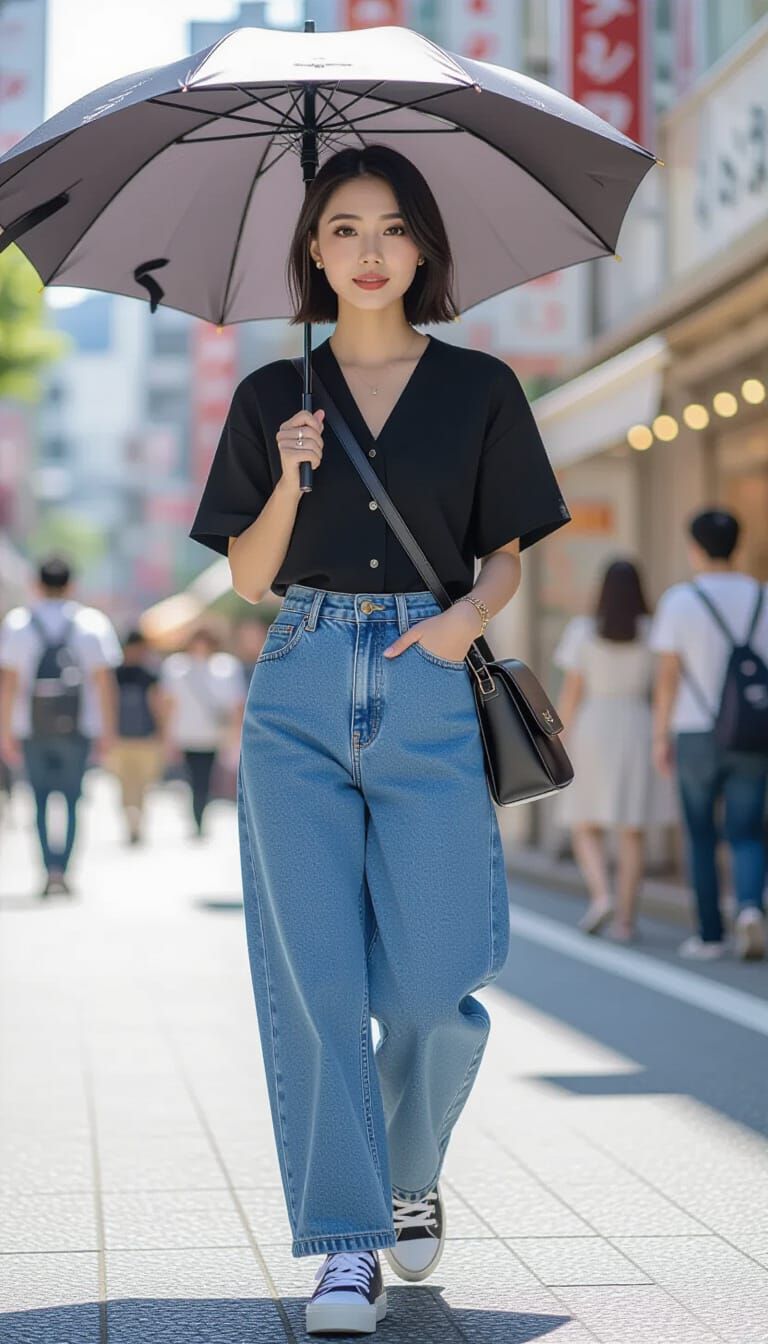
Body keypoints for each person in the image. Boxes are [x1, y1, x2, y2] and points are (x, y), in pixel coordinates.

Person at [188, 144, 571, 1336]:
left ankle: (412, 1173)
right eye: (343, 227)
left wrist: (463, 623)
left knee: (433, 983)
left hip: (425, 678)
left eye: (392, 228)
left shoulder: (480, 388)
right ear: (312, 247)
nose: (368, 250)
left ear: (423, 249)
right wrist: (293, 479)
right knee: (314, 986)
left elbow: (507, 545)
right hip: (299, 676)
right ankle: (346, 1245)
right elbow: (250, 578)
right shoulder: (271, 399)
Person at [650, 508, 768, 961]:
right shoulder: (762, 596)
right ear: (737, 546)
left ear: (695, 547)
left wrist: (660, 737)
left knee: (700, 834)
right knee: (749, 831)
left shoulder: (680, 601)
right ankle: (751, 909)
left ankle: (710, 936)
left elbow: (667, 678)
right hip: (753, 732)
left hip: (695, 732)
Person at [554, 559, 677, 942]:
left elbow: (571, 693)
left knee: (583, 821)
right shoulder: (652, 631)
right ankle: (625, 922)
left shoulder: (583, 631)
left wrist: (555, 737)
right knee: (631, 830)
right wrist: (661, 737)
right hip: (638, 725)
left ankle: (601, 896)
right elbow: (662, 691)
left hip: (594, 725)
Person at [0, 555, 121, 897]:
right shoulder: (92, 623)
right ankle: (63, 871)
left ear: (36, 585)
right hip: (79, 728)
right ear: (71, 585)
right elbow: (103, 683)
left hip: (30, 728)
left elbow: (8, 684)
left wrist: (5, 731)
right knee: (71, 800)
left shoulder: (19, 623)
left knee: (37, 801)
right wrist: (108, 731)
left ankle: (47, 870)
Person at [157, 627, 246, 838]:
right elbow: (167, 704)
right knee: (192, 779)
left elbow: (237, 705)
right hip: (185, 734)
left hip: (213, 735)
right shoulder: (176, 666)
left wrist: (235, 736)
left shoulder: (226, 666)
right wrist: (166, 736)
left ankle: (200, 817)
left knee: (205, 779)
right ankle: (197, 817)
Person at [107, 630, 163, 845]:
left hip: (137, 739)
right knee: (129, 786)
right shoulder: (146, 674)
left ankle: (135, 823)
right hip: (128, 739)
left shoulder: (118, 673)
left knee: (138, 786)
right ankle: (133, 824)